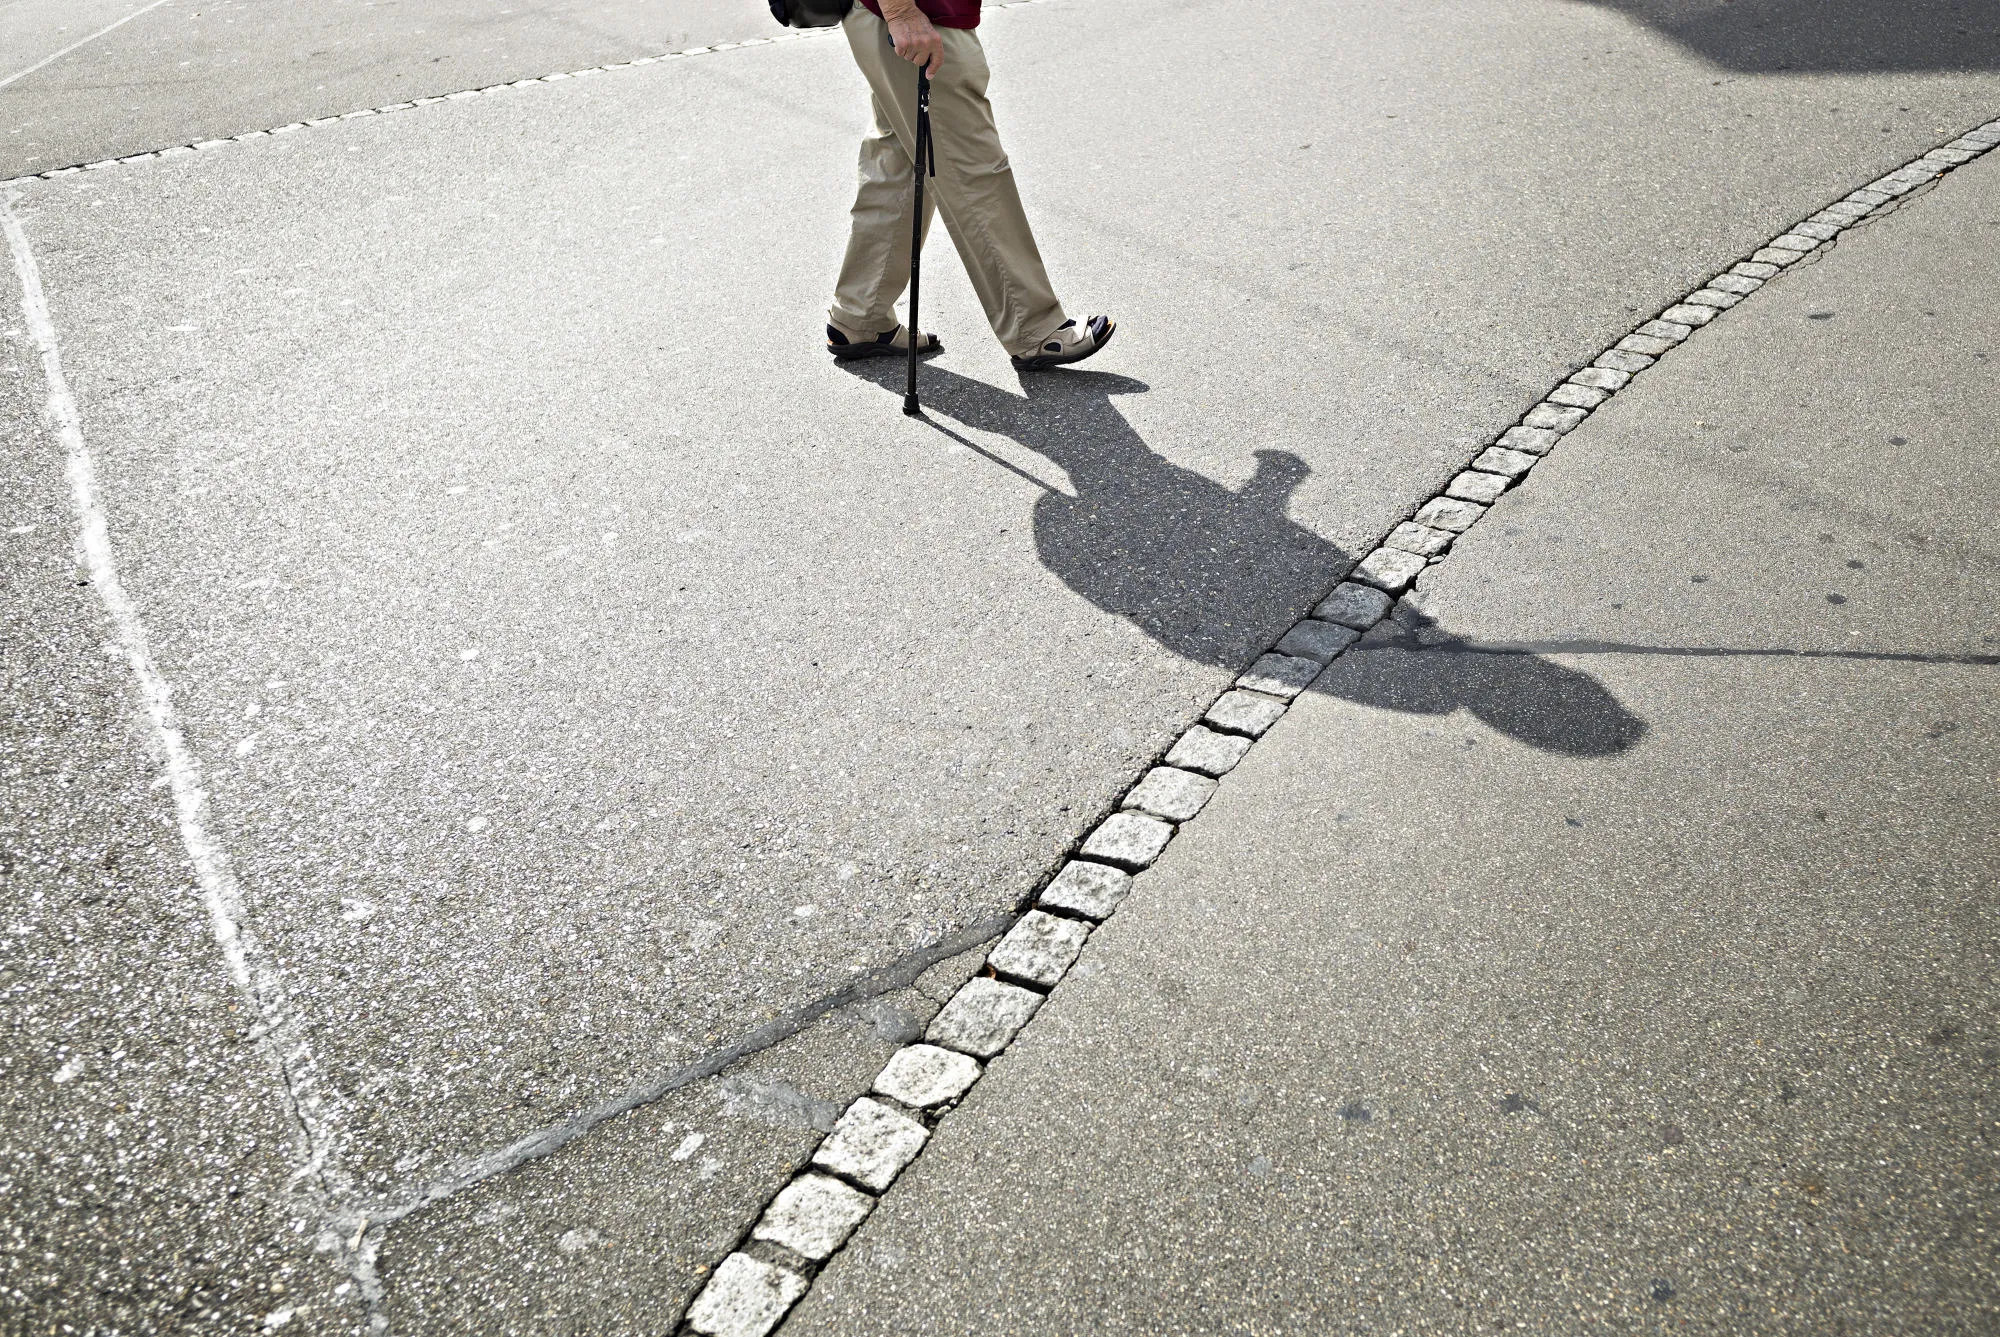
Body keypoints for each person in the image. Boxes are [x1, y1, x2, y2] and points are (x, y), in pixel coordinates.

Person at [825, 0, 1115, 370]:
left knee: (898, 166)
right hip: (915, 18)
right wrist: (901, 13)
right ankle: (1035, 329)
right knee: (973, 171)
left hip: (887, 16)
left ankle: (859, 316)